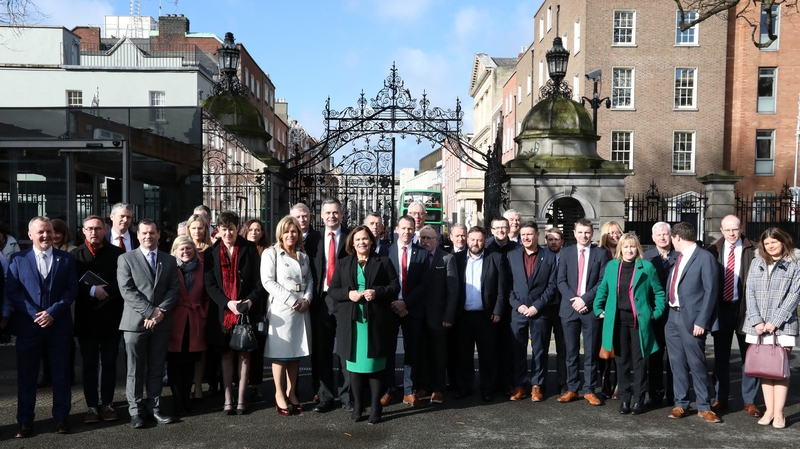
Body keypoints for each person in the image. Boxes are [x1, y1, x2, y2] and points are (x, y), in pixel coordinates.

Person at [7, 217, 78, 438]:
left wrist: (52, 312)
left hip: (59, 327)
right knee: (27, 377)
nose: (46, 235)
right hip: (29, 328)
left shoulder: (66, 259)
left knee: (61, 375)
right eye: (41, 232)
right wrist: (35, 314)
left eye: (48, 231)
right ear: (30, 235)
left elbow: (71, 289)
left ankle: (61, 419)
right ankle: (25, 422)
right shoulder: (17, 259)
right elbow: (14, 290)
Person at [329, 226, 400, 424]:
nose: (362, 242)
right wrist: (348, 294)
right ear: (352, 242)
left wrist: (377, 292)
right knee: (355, 369)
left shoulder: (383, 261)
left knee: (375, 368)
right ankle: (358, 406)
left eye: (365, 239)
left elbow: (395, 286)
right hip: (352, 324)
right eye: (358, 239)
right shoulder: (343, 263)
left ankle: (376, 407)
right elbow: (333, 290)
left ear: (371, 241)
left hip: (375, 323)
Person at [594, 233, 667, 415]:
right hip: (617, 320)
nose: (629, 250)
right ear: (620, 249)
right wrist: (597, 308)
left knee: (640, 361)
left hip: (639, 321)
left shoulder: (647, 267)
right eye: (625, 247)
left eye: (632, 246)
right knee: (621, 361)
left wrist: (656, 313)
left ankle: (638, 400)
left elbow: (659, 293)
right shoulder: (612, 266)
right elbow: (603, 289)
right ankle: (625, 399)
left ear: (638, 248)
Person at [117, 218, 180, 428]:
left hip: (161, 323)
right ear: (137, 235)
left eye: (152, 232)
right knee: (134, 369)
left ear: (159, 234)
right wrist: (150, 311)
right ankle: (135, 411)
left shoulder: (169, 260)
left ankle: (154, 408)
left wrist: (159, 313)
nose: (148, 236)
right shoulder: (126, 259)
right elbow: (127, 290)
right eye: (144, 233)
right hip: (135, 324)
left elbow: (174, 289)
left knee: (156, 368)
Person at [204, 212, 264, 416]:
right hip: (223, 313)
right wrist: (227, 303)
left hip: (246, 311)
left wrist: (248, 302)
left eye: (231, 228)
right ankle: (228, 399)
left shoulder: (249, 249)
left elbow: (258, 282)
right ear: (218, 230)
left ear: (238, 228)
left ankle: (241, 399)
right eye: (224, 229)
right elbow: (210, 285)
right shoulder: (211, 253)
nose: (228, 232)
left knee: (245, 354)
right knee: (226, 354)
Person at [664, 222, 721, 423]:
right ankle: (681, 404)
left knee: (697, 363)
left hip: (692, 320)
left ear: (677, 237)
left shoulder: (705, 258)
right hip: (672, 317)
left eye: (671, 237)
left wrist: (702, 321)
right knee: (676, 363)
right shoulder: (678, 257)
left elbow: (711, 291)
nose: (671, 241)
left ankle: (704, 406)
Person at [744, 228, 799, 429]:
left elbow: (794, 295)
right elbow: (749, 291)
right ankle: (768, 410)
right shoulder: (757, 261)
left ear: (783, 241)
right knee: (765, 370)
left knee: (780, 370)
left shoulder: (795, 263)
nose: (770, 246)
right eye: (767, 244)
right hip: (758, 326)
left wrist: (774, 321)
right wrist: (757, 320)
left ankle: (779, 413)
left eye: (774, 242)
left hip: (783, 326)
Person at [72, 215, 125, 424]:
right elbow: (69, 284)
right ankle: (92, 406)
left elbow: (124, 281)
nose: (94, 232)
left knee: (110, 363)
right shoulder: (74, 255)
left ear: (106, 230)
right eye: (90, 229)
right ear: (83, 231)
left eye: (98, 228)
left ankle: (108, 403)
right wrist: (91, 291)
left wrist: (105, 290)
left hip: (111, 317)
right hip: (86, 319)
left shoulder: (118, 254)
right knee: (89, 364)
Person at [706, 215, 760, 417]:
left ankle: (750, 401)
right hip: (722, 310)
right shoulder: (712, 251)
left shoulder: (754, 250)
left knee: (749, 357)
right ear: (721, 230)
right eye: (727, 230)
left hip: (746, 309)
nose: (731, 233)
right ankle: (721, 398)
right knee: (721, 357)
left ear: (741, 228)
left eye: (735, 229)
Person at [261, 215, 313, 416]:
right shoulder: (271, 253)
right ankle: (279, 394)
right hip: (283, 309)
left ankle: (292, 392)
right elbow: (268, 282)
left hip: (302, 308)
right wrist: (292, 301)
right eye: (287, 231)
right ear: (280, 233)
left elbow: (309, 279)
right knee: (281, 354)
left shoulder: (303, 255)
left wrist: (307, 299)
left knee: (295, 354)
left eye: (294, 231)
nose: (290, 235)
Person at [556, 218, 609, 406]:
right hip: (570, 309)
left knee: (591, 352)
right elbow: (560, 280)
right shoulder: (566, 253)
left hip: (590, 309)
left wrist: (585, 299)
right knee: (570, 352)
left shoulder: (601, 254)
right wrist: (575, 300)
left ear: (592, 233)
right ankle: (572, 389)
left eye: (587, 232)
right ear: (574, 233)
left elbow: (603, 282)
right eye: (580, 232)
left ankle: (589, 390)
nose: (584, 235)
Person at [453, 226, 509, 402]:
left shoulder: (496, 258)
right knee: (463, 354)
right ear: (467, 241)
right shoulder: (457, 259)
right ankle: (465, 386)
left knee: (488, 355)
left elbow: (502, 289)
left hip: (486, 316)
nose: (475, 243)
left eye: (479, 240)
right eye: (473, 239)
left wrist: (498, 310)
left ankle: (487, 388)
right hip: (463, 316)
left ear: (485, 241)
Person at [378, 215, 429, 407]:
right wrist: (394, 302)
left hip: (411, 309)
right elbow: (380, 279)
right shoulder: (385, 250)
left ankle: (409, 390)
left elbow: (424, 284)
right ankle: (389, 390)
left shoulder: (422, 253)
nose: (407, 232)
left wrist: (405, 303)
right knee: (389, 351)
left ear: (414, 230)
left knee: (412, 351)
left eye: (410, 229)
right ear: (396, 229)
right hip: (390, 308)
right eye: (404, 228)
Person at [507, 221, 558, 402]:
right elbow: (507, 285)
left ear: (537, 235)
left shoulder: (549, 257)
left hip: (540, 311)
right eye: (523, 235)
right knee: (518, 350)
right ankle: (520, 385)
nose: (526, 238)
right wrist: (517, 305)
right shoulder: (511, 256)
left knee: (540, 350)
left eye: (529, 234)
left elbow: (552, 286)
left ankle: (537, 385)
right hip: (518, 311)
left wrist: (537, 305)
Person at [310, 198, 352, 413]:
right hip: (322, 300)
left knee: (345, 350)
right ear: (321, 216)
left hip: (344, 299)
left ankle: (346, 396)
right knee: (322, 350)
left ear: (342, 214)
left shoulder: (350, 237)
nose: (331, 216)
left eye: (335, 212)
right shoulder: (314, 239)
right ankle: (325, 397)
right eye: (327, 213)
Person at [416, 225, 458, 403]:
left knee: (439, 354)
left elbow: (453, 290)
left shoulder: (447, 258)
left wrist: (449, 316)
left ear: (437, 240)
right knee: (422, 354)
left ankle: (438, 388)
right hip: (418, 315)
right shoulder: (415, 256)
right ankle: (424, 386)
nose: (425, 241)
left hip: (439, 316)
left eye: (429, 238)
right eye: (422, 238)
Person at [167, 236, 208, 416]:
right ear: (175, 251)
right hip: (174, 320)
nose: (185, 252)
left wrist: (204, 314)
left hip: (194, 320)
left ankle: (187, 399)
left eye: (189, 249)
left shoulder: (201, 268)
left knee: (190, 364)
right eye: (181, 249)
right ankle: (177, 402)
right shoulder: (169, 268)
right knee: (175, 364)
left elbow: (206, 294)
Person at [642, 222, 677, 406]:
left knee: (675, 358)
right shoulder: (646, 258)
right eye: (659, 235)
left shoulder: (680, 256)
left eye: (666, 234)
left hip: (675, 314)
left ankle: (674, 395)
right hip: (654, 315)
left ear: (671, 236)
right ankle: (655, 394)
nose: (663, 237)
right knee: (654, 356)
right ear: (653, 237)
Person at [485, 216, 519, 394]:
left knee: (508, 346)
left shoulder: (517, 248)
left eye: (504, 227)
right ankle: (493, 381)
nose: (501, 231)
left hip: (512, 304)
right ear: (492, 230)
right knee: (491, 346)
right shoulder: (487, 249)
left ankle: (507, 381)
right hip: (491, 305)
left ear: (509, 229)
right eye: (497, 228)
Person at [240, 218, 270, 402]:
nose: (254, 232)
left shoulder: (267, 252)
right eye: (251, 229)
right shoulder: (239, 249)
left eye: (258, 229)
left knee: (257, 347)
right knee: (239, 346)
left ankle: (255, 385)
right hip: (240, 304)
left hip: (259, 305)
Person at [185, 213, 213, 400]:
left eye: (200, 227)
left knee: (202, 347)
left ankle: (198, 384)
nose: (197, 231)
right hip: (185, 304)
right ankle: (187, 384)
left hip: (205, 303)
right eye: (194, 227)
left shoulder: (211, 251)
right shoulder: (184, 247)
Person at [598, 221, 622, 400]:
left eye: (618, 232)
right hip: (604, 308)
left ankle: (620, 383)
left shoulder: (627, 252)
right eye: (611, 233)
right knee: (605, 349)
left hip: (621, 307)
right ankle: (605, 382)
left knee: (621, 348)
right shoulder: (599, 254)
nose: (615, 235)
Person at [543, 227, 567, 395]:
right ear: (546, 241)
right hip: (544, 308)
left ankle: (562, 383)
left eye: (556, 239)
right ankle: (540, 383)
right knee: (541, 348)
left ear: (562, 241)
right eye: (550, 239)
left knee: (563, 348)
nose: (553, 242)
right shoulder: (542, 256)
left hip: (563, 307)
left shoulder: (568, 256)